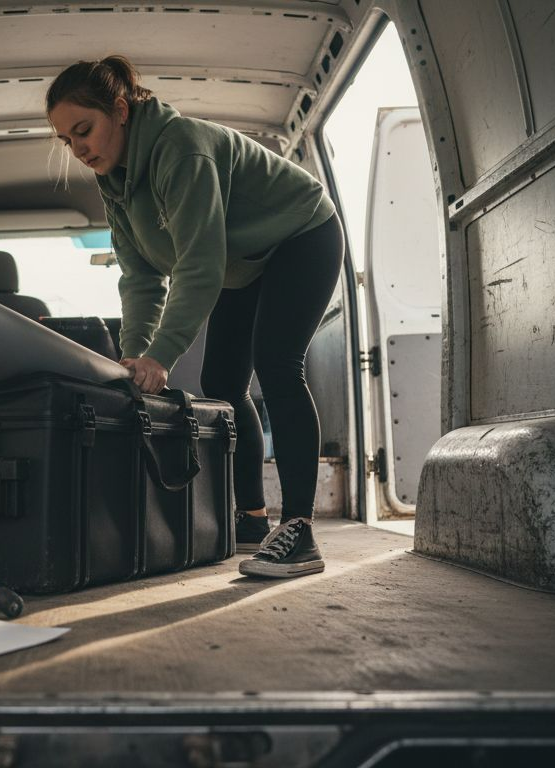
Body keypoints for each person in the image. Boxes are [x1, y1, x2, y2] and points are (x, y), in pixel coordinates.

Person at [46, 55, 344, 579]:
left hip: (301, 235)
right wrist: (135, 355)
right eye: (67, 141)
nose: (79, 148)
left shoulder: (180, 148)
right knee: (223, 382)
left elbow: (199, 267)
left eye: (83, 130)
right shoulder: (114, 182)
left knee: (278, 366)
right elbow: (140, 277)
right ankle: (252, 518)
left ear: (119, 110)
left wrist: (163, 354)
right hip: (244, 263)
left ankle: (299, 529)